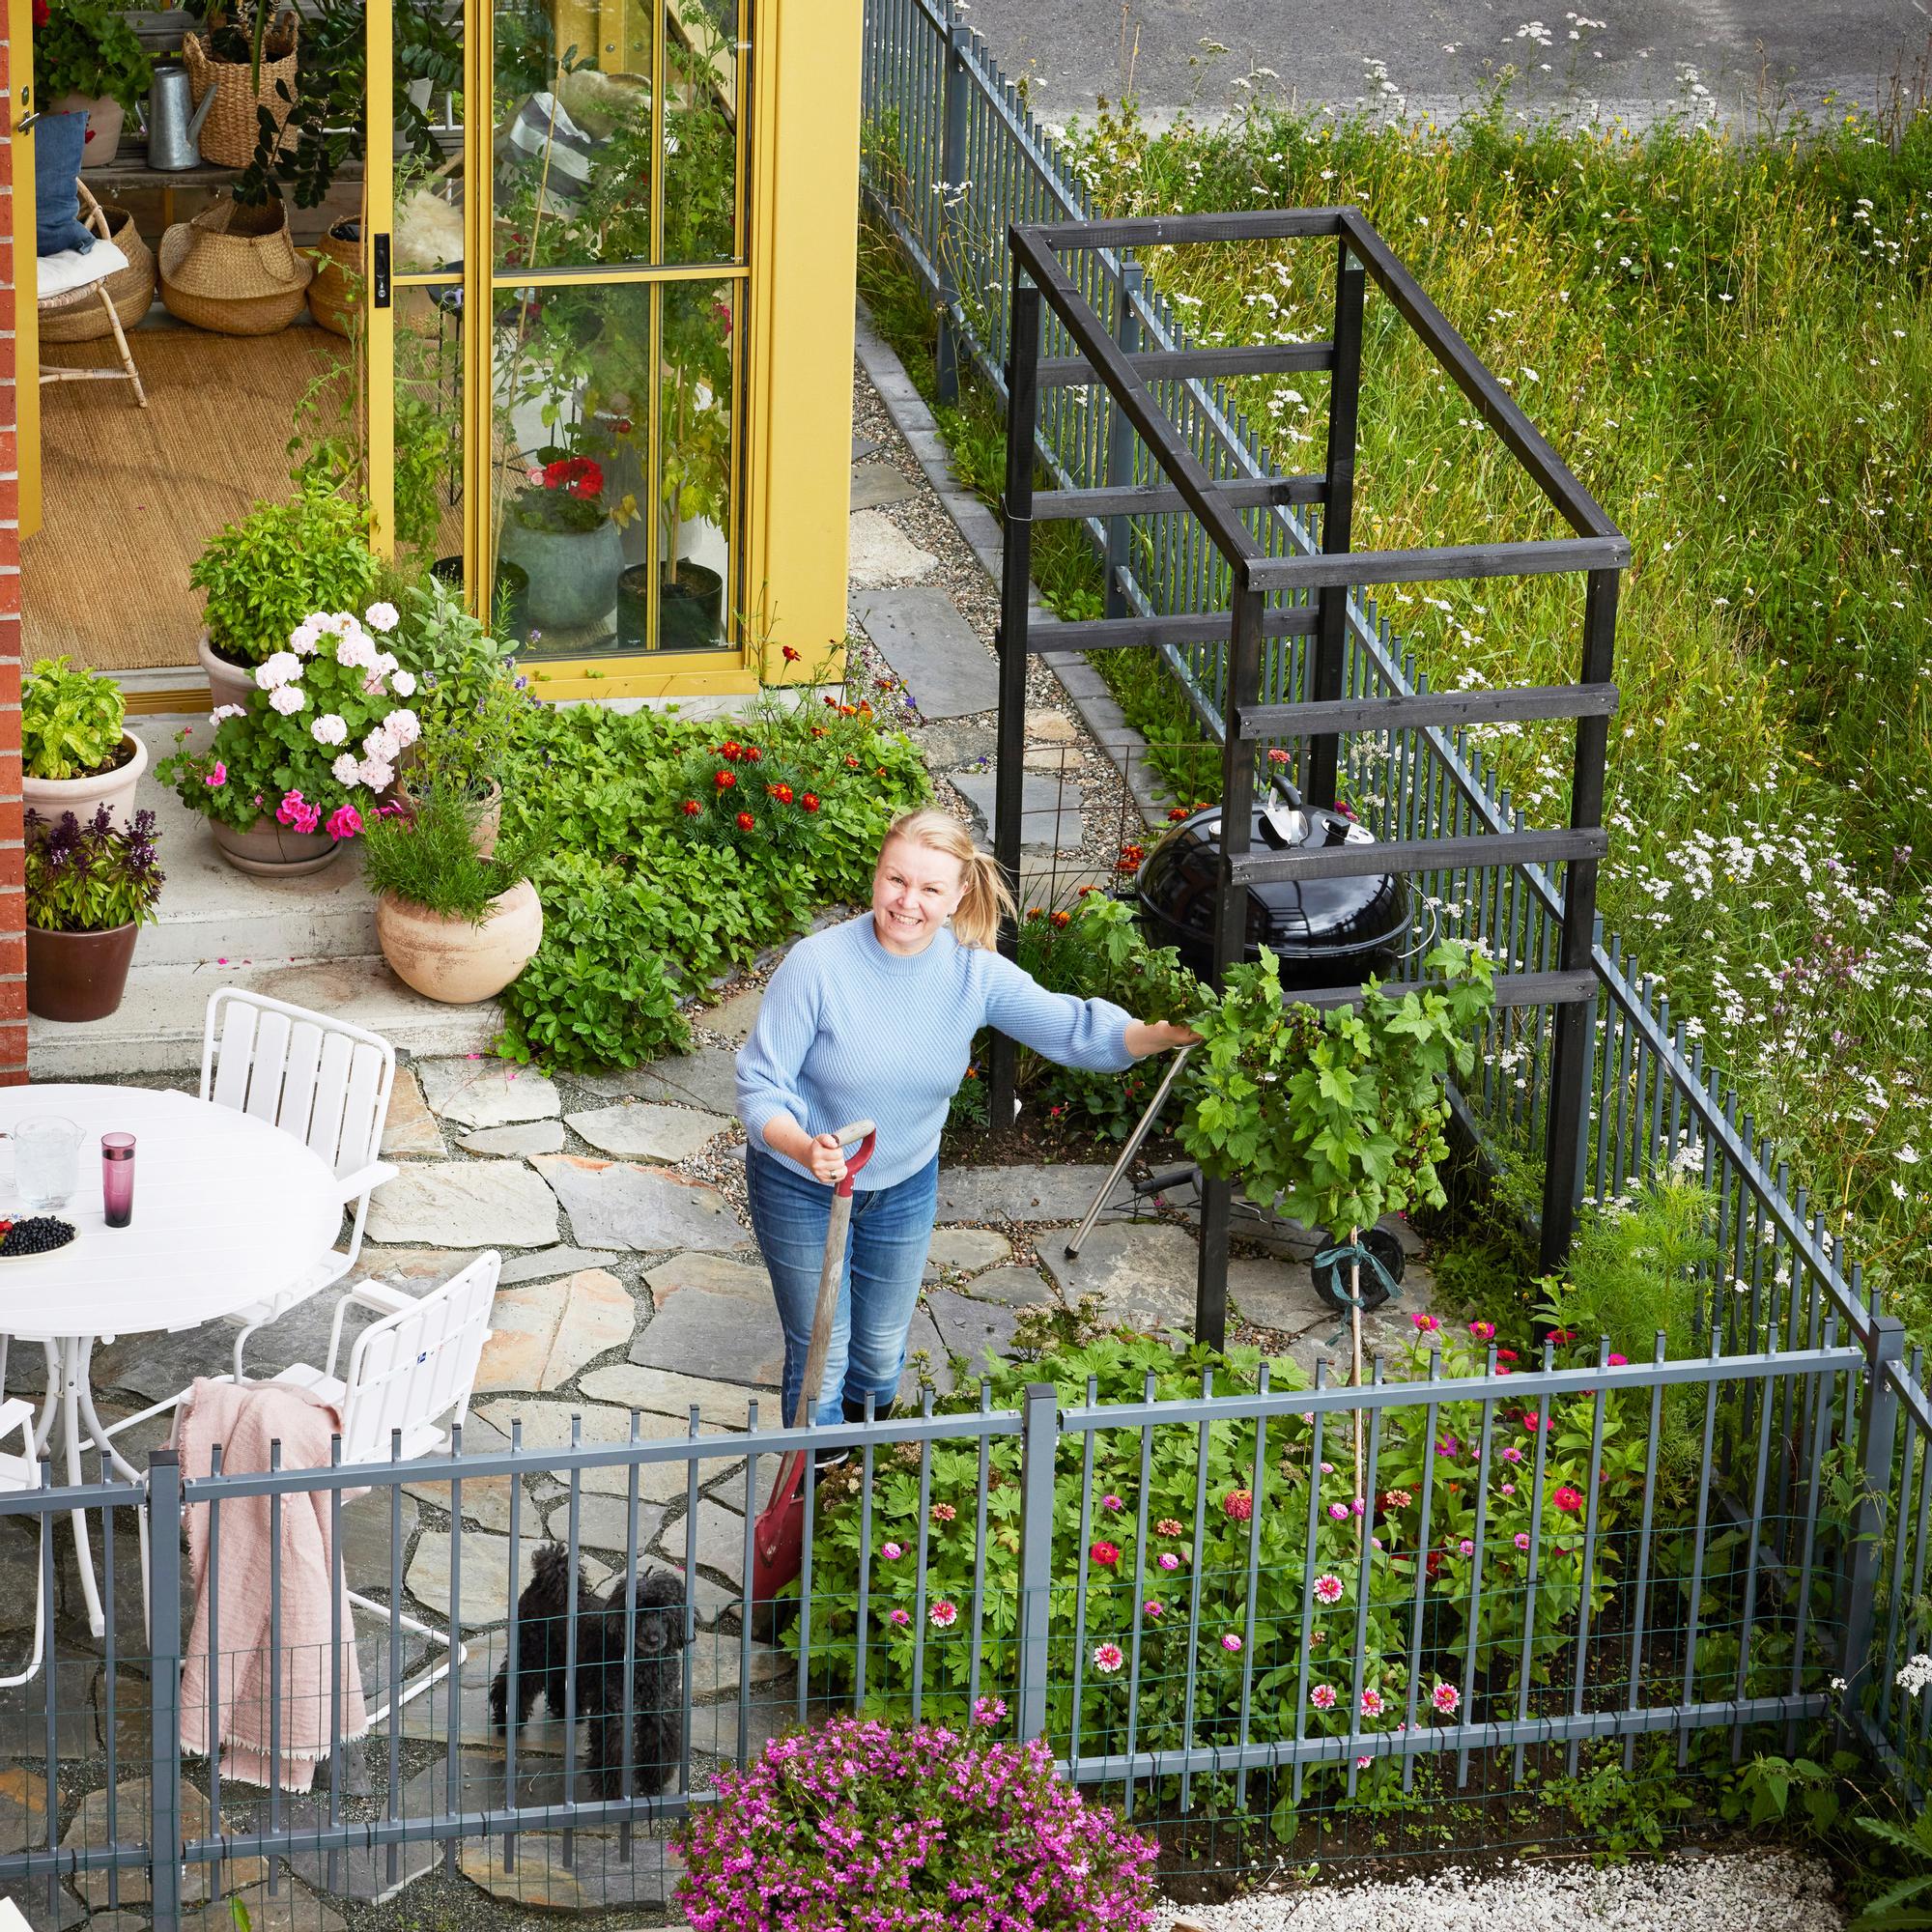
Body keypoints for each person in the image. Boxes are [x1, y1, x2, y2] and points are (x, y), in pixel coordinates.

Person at [735, 807, 1199, 1439]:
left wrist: (1171, 1033)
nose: (907, 902)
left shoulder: (972, 973)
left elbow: (1073, 1028)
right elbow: (762, 1085)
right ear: (876, 875)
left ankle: (858, 1484)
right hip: (802, 1185)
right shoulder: (817, 966)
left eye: (929, 888)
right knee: (826, 1350)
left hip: (902, 1187)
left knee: (877, 1354)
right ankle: (808, 1504)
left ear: (958, 895)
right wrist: (801, 1145)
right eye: (896, 880)